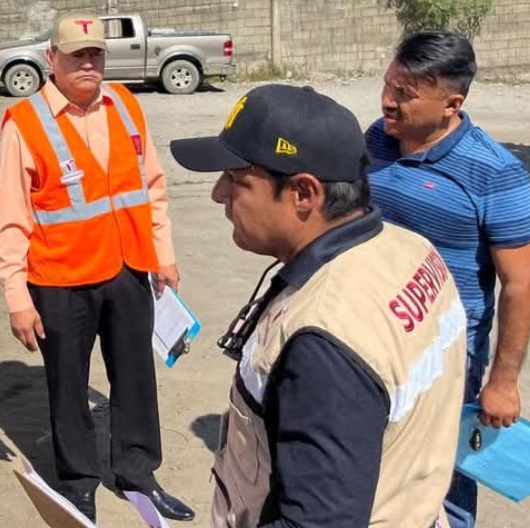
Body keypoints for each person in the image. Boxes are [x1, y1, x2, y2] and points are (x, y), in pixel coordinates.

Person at [170, 83, 467, 528]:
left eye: (236, 180)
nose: (218, 194)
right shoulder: (411, 249)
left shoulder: (324, 339)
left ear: (304, 194)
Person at [0, 13, 193, 523]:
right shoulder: (25, 124)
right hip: (60, 279)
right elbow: (10, 219)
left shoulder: (125, 105)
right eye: (76, 55)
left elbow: (152, 186)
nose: (88, 64)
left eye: (96, 55)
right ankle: (78, 482)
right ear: (51, 60)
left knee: (136, 377)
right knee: (67, 384)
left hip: (127, 269)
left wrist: (162, 254)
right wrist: (17, 296)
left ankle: (137, 473)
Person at [366, 31, 530, 528]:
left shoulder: (495, 173)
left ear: (451, 103)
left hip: (444, 350)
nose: (387, 102)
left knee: (440, 477)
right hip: (370, 328)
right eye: (388, 85)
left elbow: (521, 284)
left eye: (404, 94)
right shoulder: (377, 138)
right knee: (369, 458)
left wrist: (502, 381)